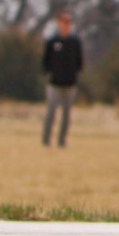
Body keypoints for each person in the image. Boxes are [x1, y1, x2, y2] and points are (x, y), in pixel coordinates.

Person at [40, 12, 84, 148]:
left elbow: (79, 61)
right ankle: (46, 140)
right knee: (51, 112)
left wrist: (77, 75)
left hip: (70, 83)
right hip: (54, 83)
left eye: (68, 22)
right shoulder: (52, 41)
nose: (65, 25)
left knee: (66, 115)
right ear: (59, 23)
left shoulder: (75, 42)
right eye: (63, 22)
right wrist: (49, 74)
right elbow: (45, 61)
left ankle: (62, 141)